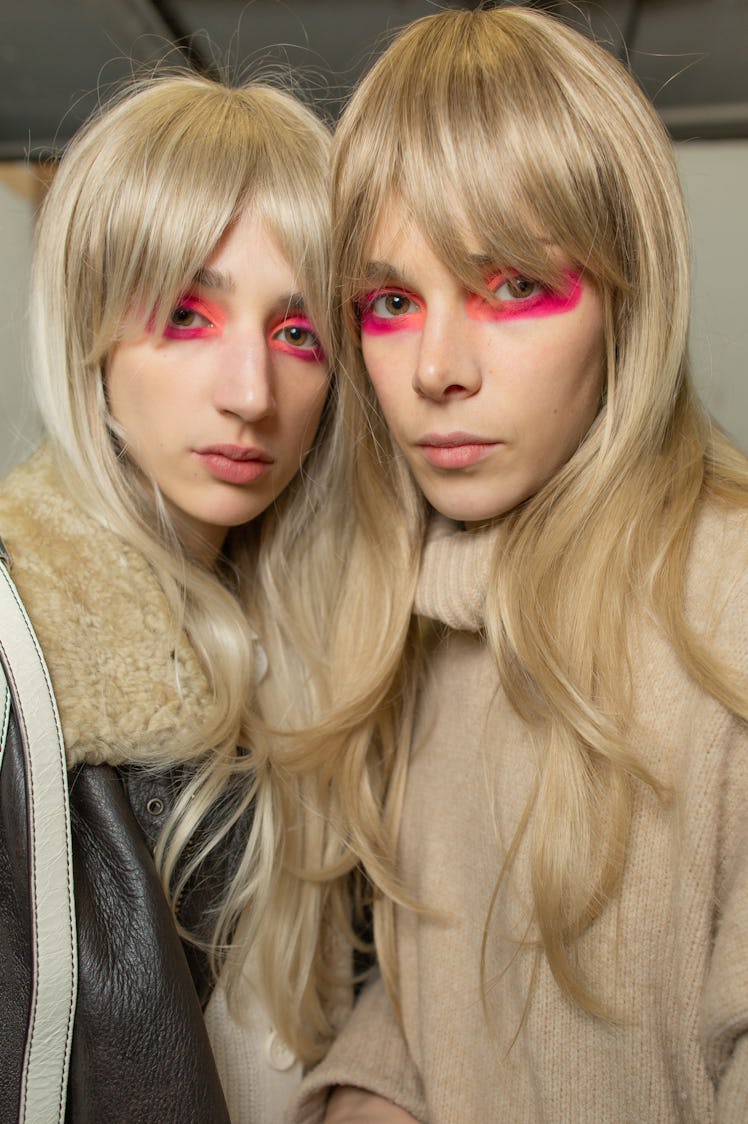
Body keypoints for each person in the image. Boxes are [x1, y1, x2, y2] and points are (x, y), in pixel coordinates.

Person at [290, 6, 748, 1122]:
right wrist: (373, 1088)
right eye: (391, 302)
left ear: (628, 302)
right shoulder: (413, 608)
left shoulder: (727, 602)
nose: (437, 368)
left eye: (512, 288)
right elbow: (441, 998)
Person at [0, 72, 356, 1123]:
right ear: (89, 334)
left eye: (299, 332)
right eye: (188, 314)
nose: (252, 393)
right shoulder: (21, 649)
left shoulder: (336, 645)